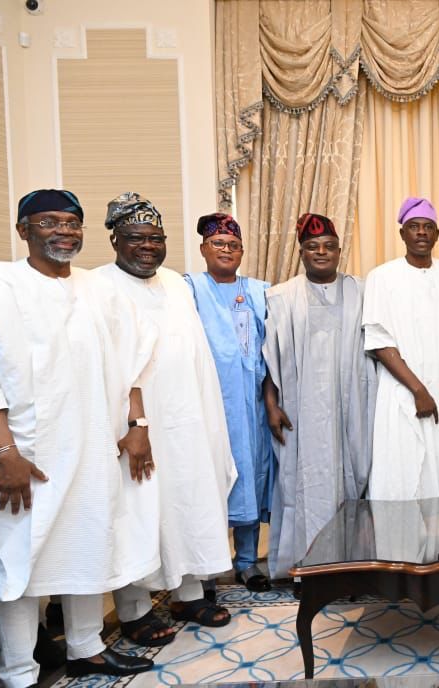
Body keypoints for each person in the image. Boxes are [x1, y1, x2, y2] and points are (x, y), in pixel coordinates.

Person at [0, 189, 155, 685]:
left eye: (72, 223)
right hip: (25, 454)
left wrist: (137, 427)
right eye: (50, 222)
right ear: (23, 230)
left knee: (86, 543)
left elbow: (130, 363)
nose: (64, 231)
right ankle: (18, 672)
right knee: (19, 563)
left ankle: (86, 648)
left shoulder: (99, 289)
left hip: (94, 444)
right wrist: (6, 453)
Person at [96, 192, 236, 644]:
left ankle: (188, 594)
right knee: (138, 511)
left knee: (188, 500)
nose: (148, 246)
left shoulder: (175, 283)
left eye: (156, 238)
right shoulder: (100, 286)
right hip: (136, 426)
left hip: (189, 419)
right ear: (115, 239)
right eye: (136, 238)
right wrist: (134, 428)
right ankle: (134, 610)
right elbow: (112, 366)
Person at [262, 213, 375, 580]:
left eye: (328, 246)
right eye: (313, 247)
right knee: (303, 484)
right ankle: (306, 569)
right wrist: (271, 405)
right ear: (302, 253)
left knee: (355, 481)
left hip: (353, 406)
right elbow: (268, 358)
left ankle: (351, 567)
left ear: (340, 250)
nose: (321, 252)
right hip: (301, 410)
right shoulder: (281, 297)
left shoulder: (361, 290)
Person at [185, 213, 274, 592]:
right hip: (207, 406)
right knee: (209, 484)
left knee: (249, 478)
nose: (226, 250)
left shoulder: (260, 291)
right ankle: (206, 567)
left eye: (233, 245)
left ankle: (247, 562)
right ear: (203, 249)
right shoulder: (188, 288)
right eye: (218, 244)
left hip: (251, 407)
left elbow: (274, 349)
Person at [362, 197, 439, 499]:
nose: (421, 233)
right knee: (402, 475)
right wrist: (418, 390)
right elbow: (380, 341)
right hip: (401, 393)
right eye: (414, 227)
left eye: (427, 227)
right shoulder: (382, 277)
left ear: (436, 235)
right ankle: (401, 546)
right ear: (402, 234)